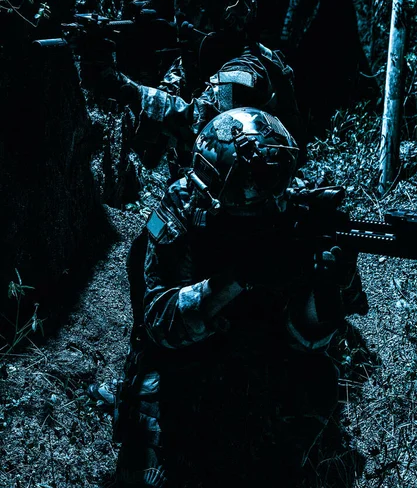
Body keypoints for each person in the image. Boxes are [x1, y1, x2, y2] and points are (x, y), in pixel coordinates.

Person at [113, 107, 366, 488]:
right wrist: (237, 278)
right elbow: (159, 322)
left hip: (264, 357)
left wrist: (325, 285)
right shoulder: (183, 208)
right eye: (248, 208)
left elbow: (309, 341)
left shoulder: (296, 212)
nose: (266, 210)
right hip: (183, 365)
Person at [76, 0, 304, 179]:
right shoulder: (196, 60)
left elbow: (200, 123)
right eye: (180, 6)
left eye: (194, 9)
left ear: (227, 15)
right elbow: (150, 145)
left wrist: (119, 84)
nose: (182, 20)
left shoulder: (247, 69)